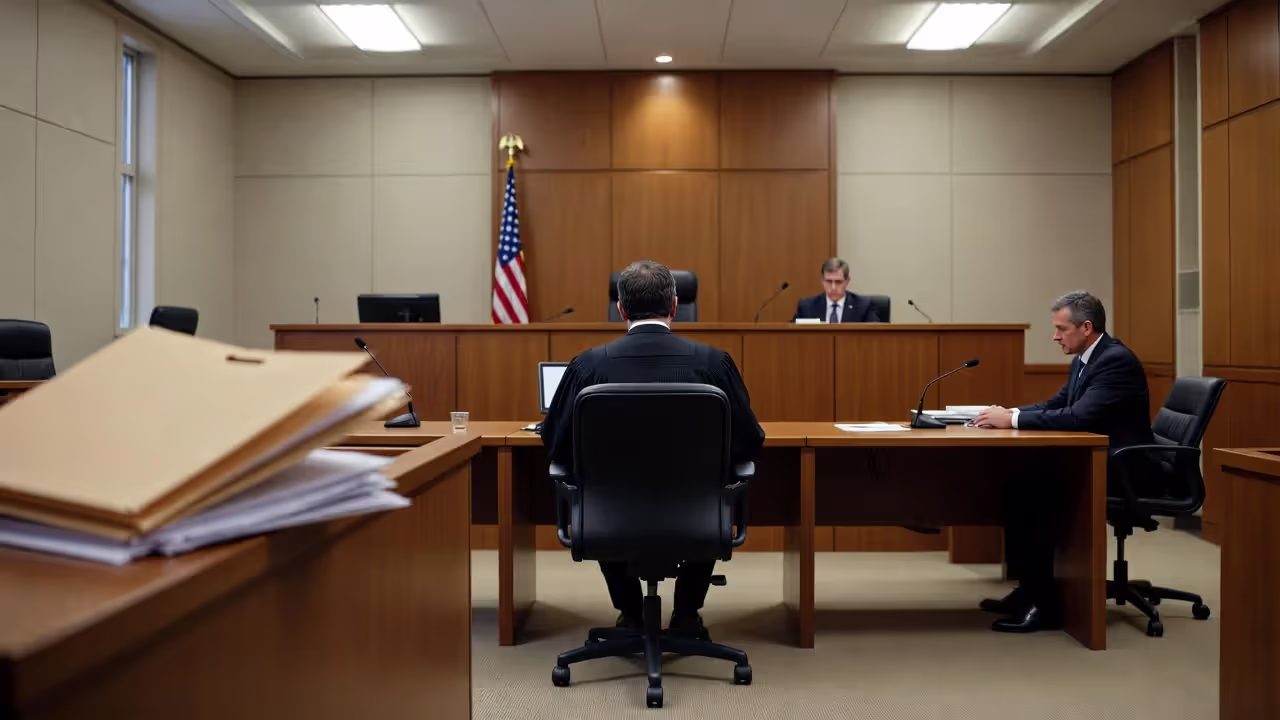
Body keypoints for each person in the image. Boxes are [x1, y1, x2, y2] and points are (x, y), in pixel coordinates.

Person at [542, 260, 766, 635]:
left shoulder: (587, 367)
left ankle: (630, 614)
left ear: (621, 309)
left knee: (602, 487)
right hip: (697, 518)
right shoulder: (715, 364)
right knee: (708, 487)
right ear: (675, 306)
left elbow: (555, 443)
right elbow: (750, 440)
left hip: (608, 518)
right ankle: (686, 615)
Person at [973, 291, 1154, 633]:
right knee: (1016, 486)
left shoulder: (1115, 360)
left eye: (1061, 329)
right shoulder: (1086, 359)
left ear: (1086, 327)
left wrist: (1010, 422)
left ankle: (1043, 604)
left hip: (1122, 469)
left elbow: (1078, 417)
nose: (1055, 337)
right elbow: (1055, 403)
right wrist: (1008, 413)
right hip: (1097, 462)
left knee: (1030, 495)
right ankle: (1029, 591)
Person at [792, 257, 884, 323]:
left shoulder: (863, 306)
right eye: (828, 281)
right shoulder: (807, 306)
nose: (833, 287)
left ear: (847, 281)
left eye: (838, 282)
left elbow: (875, 336)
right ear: (822, 281)